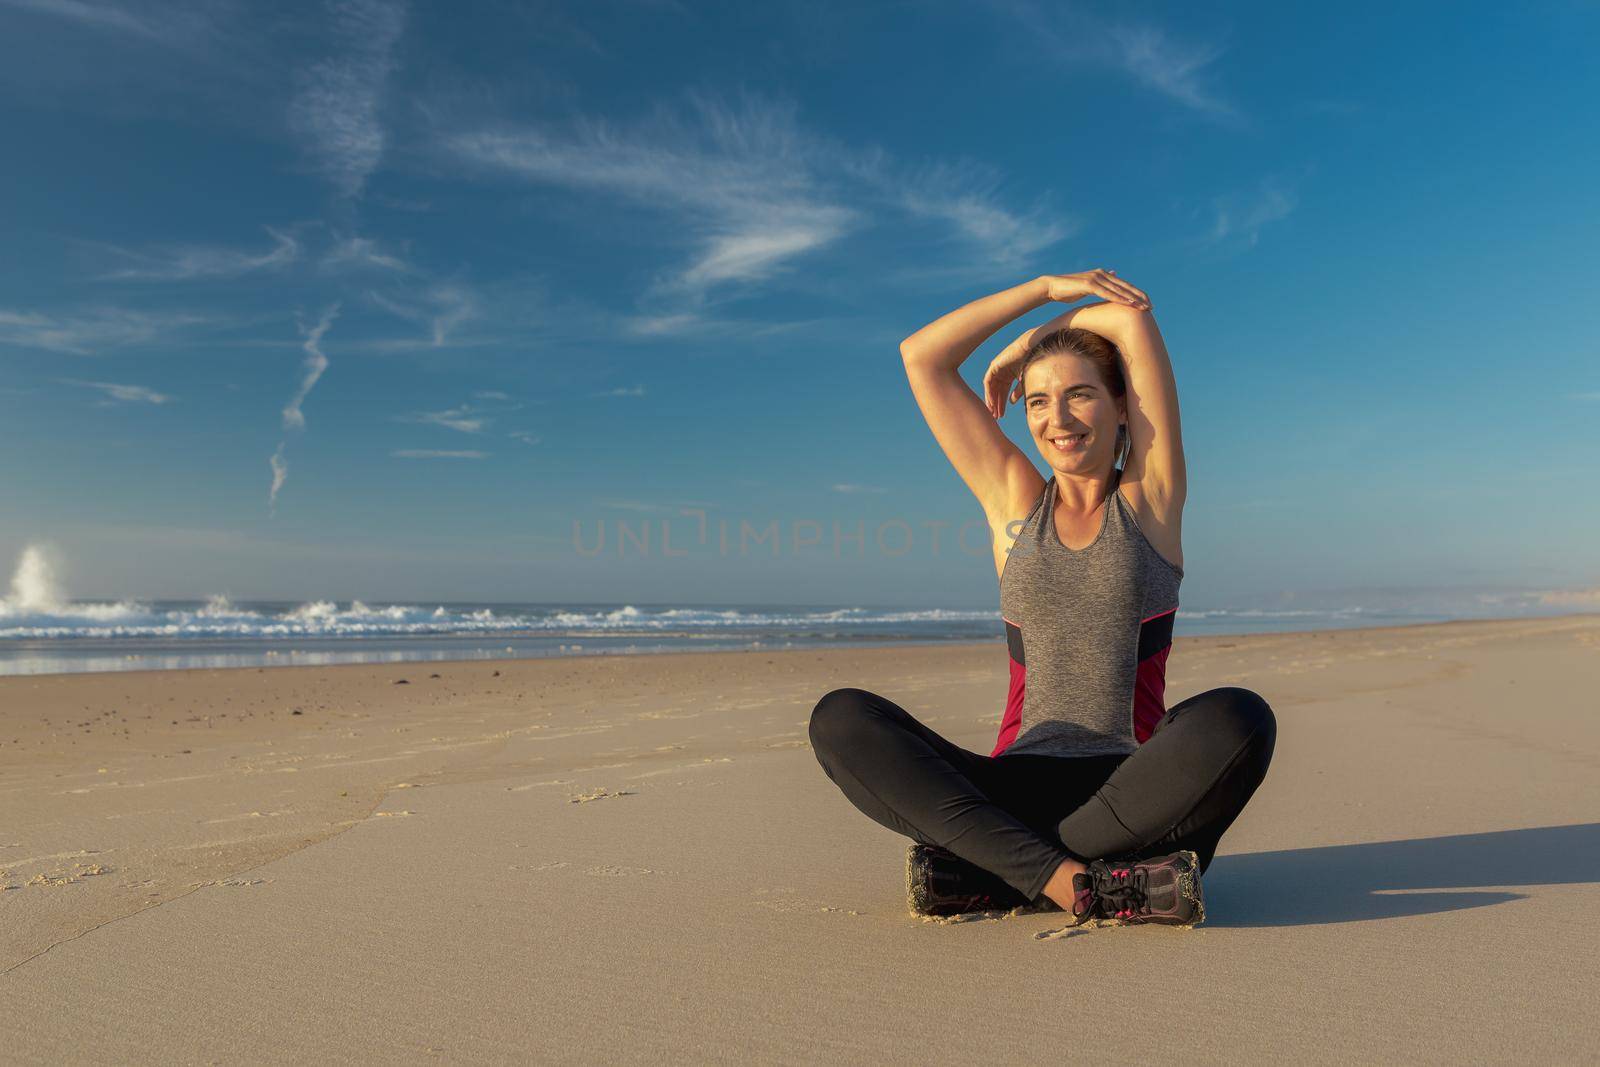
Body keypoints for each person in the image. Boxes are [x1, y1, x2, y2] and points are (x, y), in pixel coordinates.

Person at [809, 270, 1276, 926]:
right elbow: (922, 356)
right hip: (1010, 789)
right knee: (841, 718)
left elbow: (1129, 321)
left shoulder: (1150, 499)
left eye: (1080, 395)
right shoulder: (1012, 504)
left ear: (1121, 406)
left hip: (1130, 786)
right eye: (1036, 401)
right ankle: (1094, 885)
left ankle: (1000, 873)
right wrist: (1044, 290)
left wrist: (1029, 343)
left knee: (1241, 717)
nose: (1056, 418)